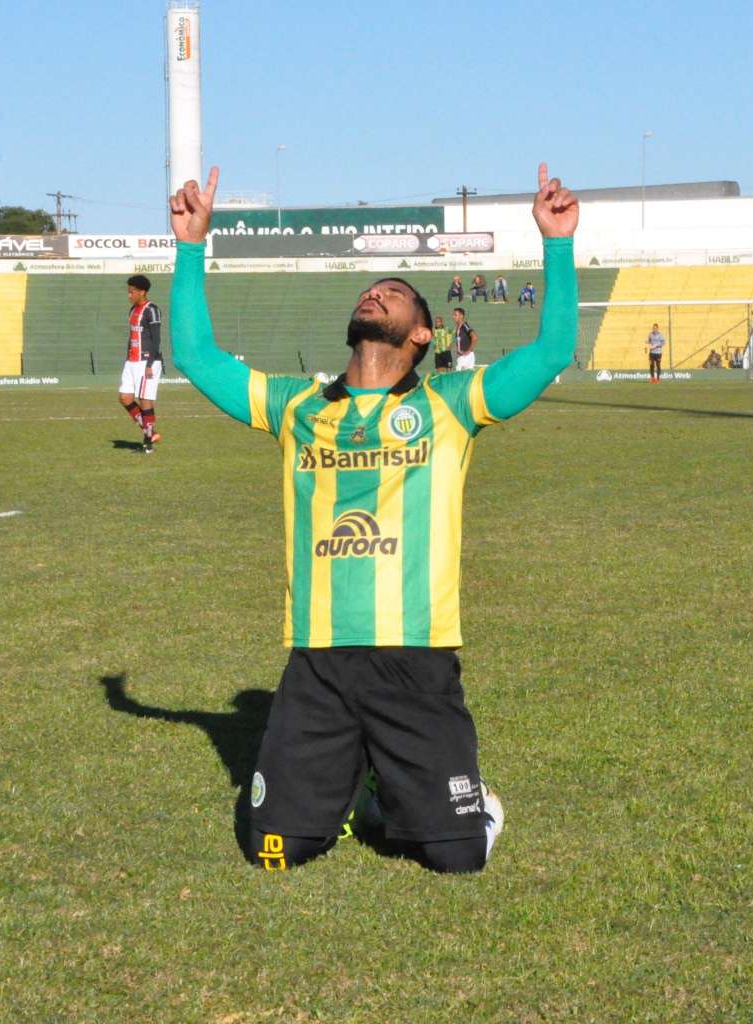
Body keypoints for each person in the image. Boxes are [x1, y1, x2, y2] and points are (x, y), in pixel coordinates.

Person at [168, 160, 579, 874]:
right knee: (273, 853)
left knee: (458, 859)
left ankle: (445, 794)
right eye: (372, 289)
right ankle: (355, 778)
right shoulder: (298, 407)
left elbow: (552, 353)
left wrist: (558, 244)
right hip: (319, 660)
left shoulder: (452, 404)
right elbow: (198, 357)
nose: (377, 292)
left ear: (421, 334)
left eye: (395, 294)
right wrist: (191, 246)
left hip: (416, 659)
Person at [118, 274, 164, 452]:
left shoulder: (151, 310)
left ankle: (148, 444)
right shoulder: (132, 310)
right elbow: (132, 336)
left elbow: (156, 339)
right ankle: (149, 431)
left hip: (147, 361)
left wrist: (150, 364)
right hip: (131, 361)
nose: (129, 295)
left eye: (132, 292)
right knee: (125, 398)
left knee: (145, 401)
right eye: (128, 291)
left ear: (142, 292)